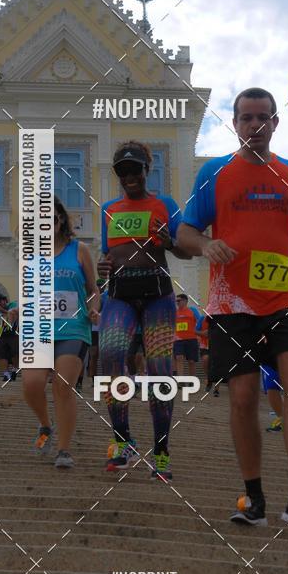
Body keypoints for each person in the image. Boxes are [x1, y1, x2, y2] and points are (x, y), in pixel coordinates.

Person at [177, 86, 288, 530]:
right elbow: (185, 233)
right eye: (246, 118)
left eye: (263, 117)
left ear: (274, 123)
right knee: (244, 396)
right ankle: (254, 495)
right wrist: (208, 243)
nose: (255, 125)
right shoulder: (215, 172)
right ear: (235, 122)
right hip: (232, 302)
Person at [98, 141, 191, 480]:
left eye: (135, 169)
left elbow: (186, 252)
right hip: (120, 294)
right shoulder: (108, 208)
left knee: (160, 369)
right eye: (122, 170)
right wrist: (102, 268)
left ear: (146, 170)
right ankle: (123, 440)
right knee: (110, 356)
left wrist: (169, 242)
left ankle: (162, 451)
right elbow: (109, 254)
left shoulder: (164, 204)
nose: (129, 176)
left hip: (157, 294)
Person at [22, 196, 98, 468]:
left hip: (73, 329)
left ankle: (64, 450)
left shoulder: (79, 250)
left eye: (52, 218)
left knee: (63, 386)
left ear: (61, 220)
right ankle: (45, 425)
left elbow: (93, 290)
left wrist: (94, 309)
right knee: (31, 385)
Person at [174, 294, 201, 379]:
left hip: (191, 339)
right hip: (178, 340)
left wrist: (197, 332)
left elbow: (200, 321)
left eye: (179, 301)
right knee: (179, 358)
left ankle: (192, 380)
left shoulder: (192, 310)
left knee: (191, 361)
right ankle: (180, 380)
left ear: (185, 301)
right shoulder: (175, 312)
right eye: (176, 301)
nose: (177, 303)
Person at [0, 295, 19, 382]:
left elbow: (14, 314)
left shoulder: (13, 305)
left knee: (15, 353)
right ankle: (5, 374)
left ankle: (14, 370)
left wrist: (2, 311)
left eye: (1, 301)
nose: (0, 304)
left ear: (5, 301)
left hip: (13, 333)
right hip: (1, 334)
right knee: (0, 353)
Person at [197, 315, 219, 396]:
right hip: (204, 345)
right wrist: (202, 333)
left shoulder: (221, 318)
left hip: (217, 345)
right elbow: (195, 331)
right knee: (205, 359)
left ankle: (216, 389)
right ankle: (209, 379)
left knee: (217, 365)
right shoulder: (202, 318)